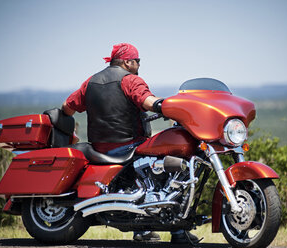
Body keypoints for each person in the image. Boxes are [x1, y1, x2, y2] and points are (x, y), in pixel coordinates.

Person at [62, 43, 199, 244]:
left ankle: (143, 231)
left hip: (100, 148)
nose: (139, 65)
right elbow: (147, 101)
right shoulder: (129, 80)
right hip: (128, 144)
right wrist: (172, 107)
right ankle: (178, 231)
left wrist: (70, 131)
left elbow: (68, 106)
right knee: (174, 171)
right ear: (127, 61)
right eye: (138, 61)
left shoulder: (90, 82)